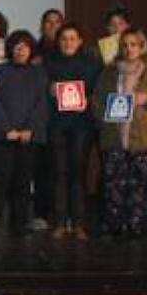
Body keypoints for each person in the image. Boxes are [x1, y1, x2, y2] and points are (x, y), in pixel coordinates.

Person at [93, 29, 147, 238]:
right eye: (125, 44)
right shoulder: (108, 71)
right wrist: (105, 112)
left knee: (139, 186)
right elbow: (97, 102)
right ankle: (117, 226)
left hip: (142, 136)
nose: (129, 48)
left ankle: (136, 225)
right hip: (113, 135)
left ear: (142, 46)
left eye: (134, 44)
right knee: (113, 184)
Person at [0, 30, 49, 236]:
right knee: (1, 183)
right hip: (2, 137)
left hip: (30, 138)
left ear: (31, 49)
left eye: (25, 45)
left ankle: (19, 225)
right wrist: (8, 130)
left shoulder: (39, 73)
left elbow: (42, 104)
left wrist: (29, 129)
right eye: (17, 45)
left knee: (23, 183)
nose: (21, 49)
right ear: (10, 49)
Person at [44, 23, 101, 240]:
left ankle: (78, 223)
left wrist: (89, 99)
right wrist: (48, 88)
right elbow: (41, 90)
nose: (68, 42)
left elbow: (99, 91)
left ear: (79, 41)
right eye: (64, 39)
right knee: (59, 174)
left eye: (72, 38)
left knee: (79, 173)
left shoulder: (92, 64)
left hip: (82, 125)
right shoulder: (48, 63)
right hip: (56, 124)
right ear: (58, 42)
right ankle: (59, 222)